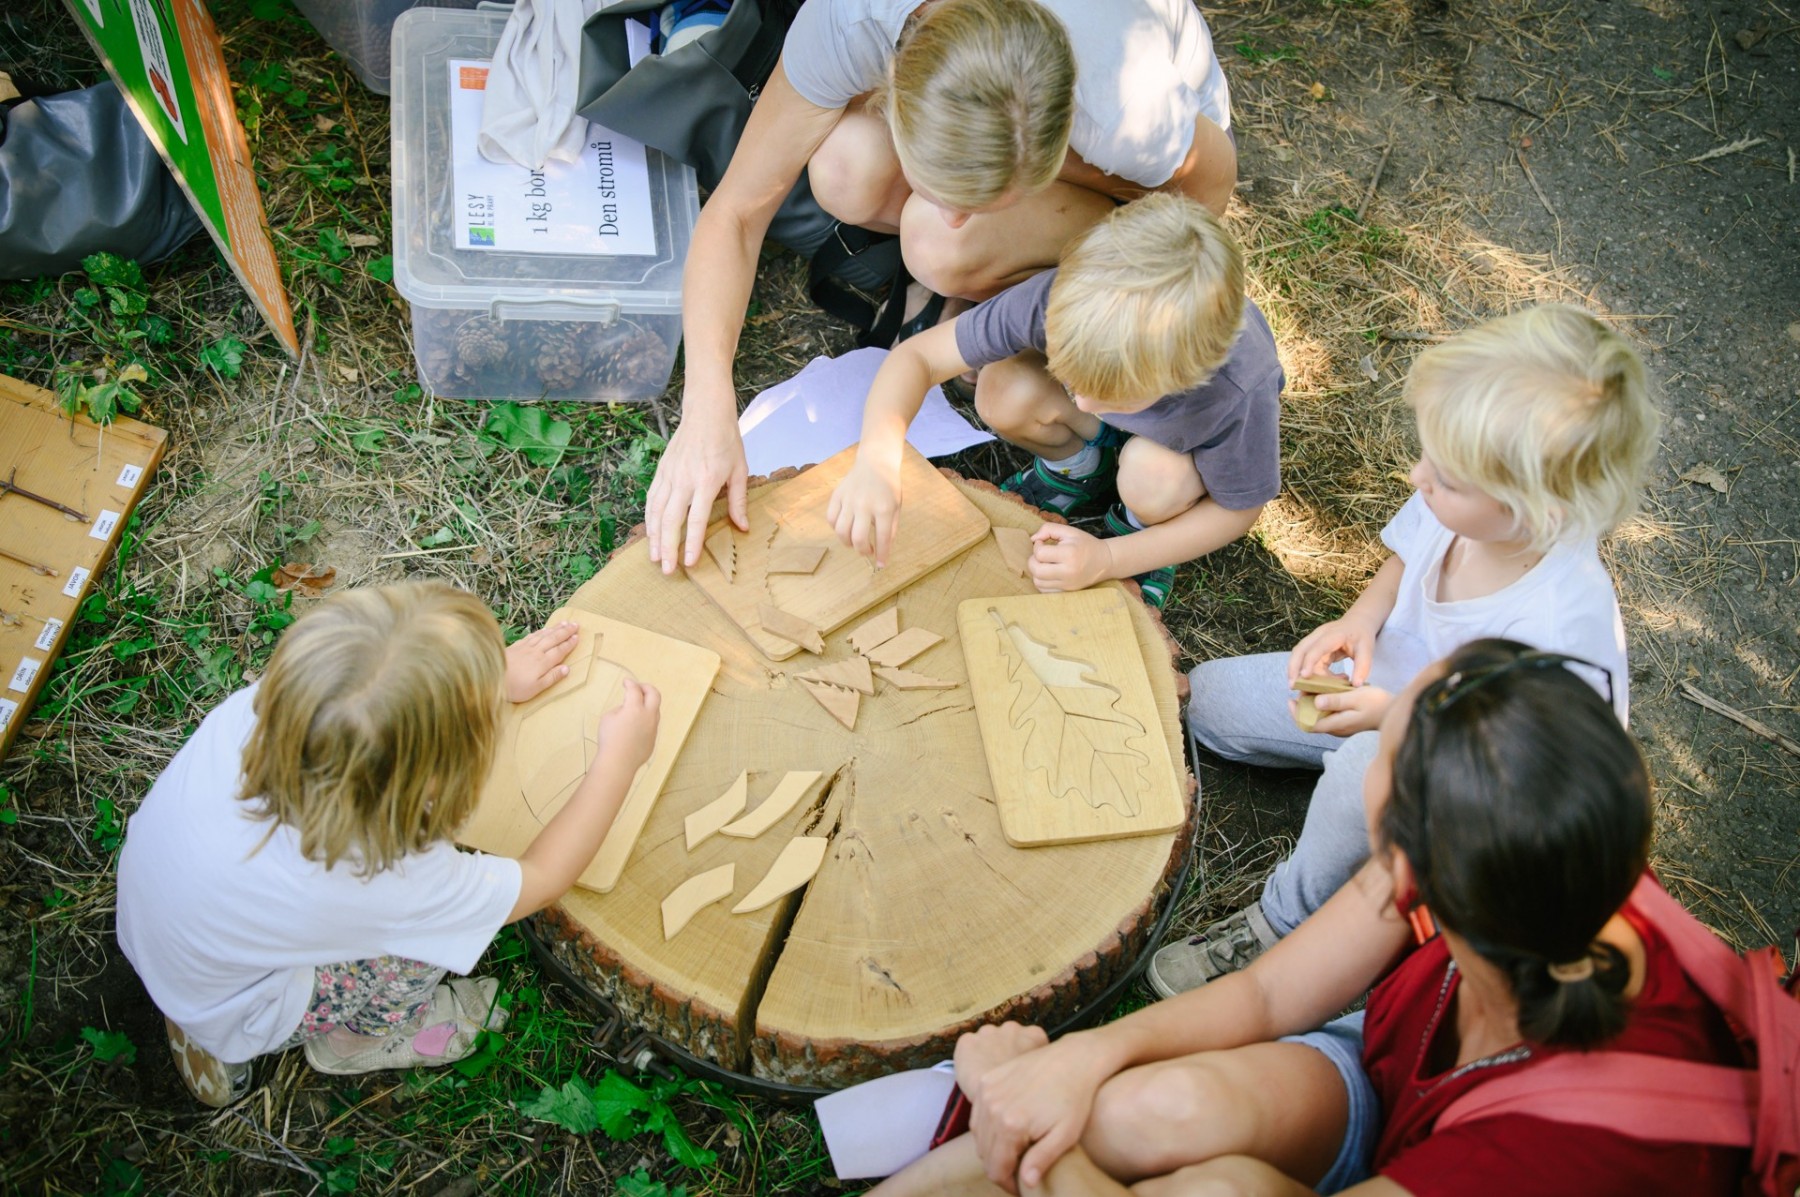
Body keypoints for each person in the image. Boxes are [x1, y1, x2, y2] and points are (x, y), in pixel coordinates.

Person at [872, 640, 1747, 1197]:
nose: (1364, 735)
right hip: (1390, 1081)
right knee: (1148, 1106)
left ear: (1407, 857)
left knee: (1217, 1191)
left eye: (1384, 738)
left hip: (1461, 1157)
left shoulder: (1556, 1163)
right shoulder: (1528, 853)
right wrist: (1076, 1064)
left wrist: (1011, 1101)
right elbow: (1265, 994)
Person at [1150, 304, 1660, 993]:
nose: (1418, 476)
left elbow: (1508, 771)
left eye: (1443, 476)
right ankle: (1347, 769)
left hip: (1461, 776)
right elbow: (1406, 555)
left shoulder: (1561, 634)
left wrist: (1391, 718)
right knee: (1209, 702)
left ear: (1540, 508)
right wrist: (1360, 619)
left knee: (1361, 769)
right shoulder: (1467, 492)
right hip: (1386, 682)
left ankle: (1283, 918)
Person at [645, 0, 1239, 576]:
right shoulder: (850, 21)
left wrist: (1111, 333)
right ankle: (972, 285)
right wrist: (706, 406)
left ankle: (979, 281)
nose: (958, 214)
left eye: (986, 199)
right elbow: (737, 212)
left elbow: (1202, 206)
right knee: (846, 168)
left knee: (939, 242)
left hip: (1132, 184)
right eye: (942, 187)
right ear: (892, 95)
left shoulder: (1126, 108)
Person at [116, 583, 661, 1105]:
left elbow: (388, 689)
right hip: (241, 1004)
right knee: (414, 951)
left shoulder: (281, 709)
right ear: (432, 784)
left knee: (234, 951)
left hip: (160, 924)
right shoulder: (391, 877)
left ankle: (194, 1001)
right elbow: (541, 880)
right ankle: (358, 1040)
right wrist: (617, 763)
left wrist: (485, 680)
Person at [827, 194, 1282, 608]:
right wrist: (877, 460)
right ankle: (1080, 469)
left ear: (1187, 375)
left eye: (1112, 395)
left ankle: (1144, 528)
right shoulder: (1064, 298)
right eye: (1071, 377)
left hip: (1171, 460)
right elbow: (919, 357)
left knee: (1154, 478)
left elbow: (1236, 510)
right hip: (1135, 426)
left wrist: (1107, 557)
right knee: (1003, 388)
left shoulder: (1237, 385)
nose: (1082, 402)